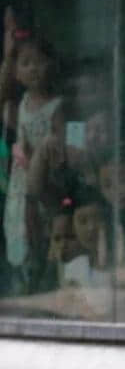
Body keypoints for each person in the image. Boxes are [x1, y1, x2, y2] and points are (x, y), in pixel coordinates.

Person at [1, 24, 63, 293]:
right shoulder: (19, 104)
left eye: (39, 62)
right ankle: (23, 276)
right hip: (19, 181)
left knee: (42, 228)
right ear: (16, 71)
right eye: (26, 63)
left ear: (50, 64)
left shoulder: (57, 105)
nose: (33, 69)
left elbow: (60, 146)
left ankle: (42, 276)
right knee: (18, 227)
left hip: (43, 181)